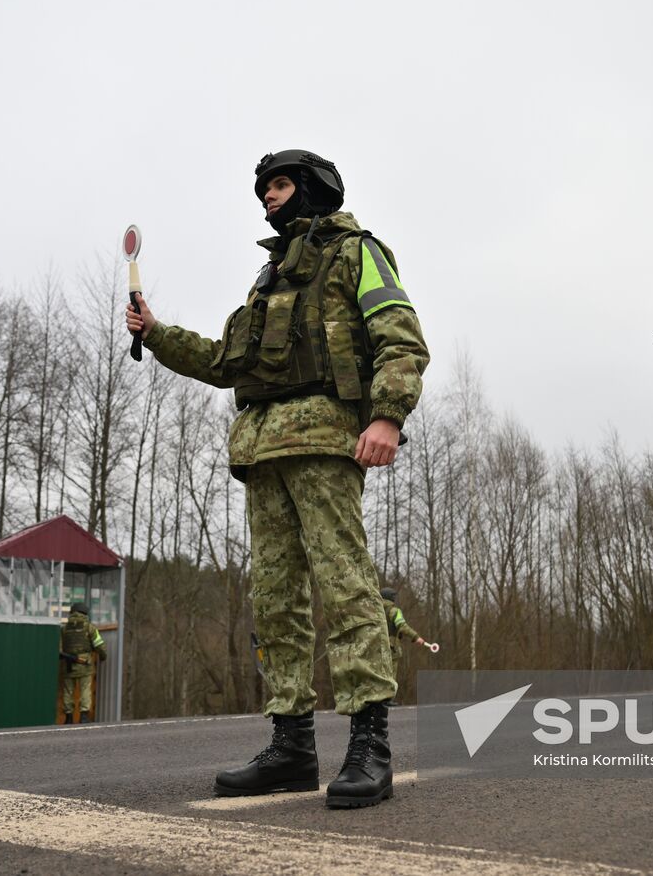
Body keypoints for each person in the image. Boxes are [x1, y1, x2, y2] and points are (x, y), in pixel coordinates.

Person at [126, 149, 429, 808]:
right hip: (261, 452)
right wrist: (155, 333)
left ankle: (369, 744)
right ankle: (291, 745)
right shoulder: (268, 280)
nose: (268, 196)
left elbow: (400, 337)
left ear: (313, 189)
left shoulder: (357, 252)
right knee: (275, 601)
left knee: (346, 587)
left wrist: (387, 415)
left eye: (281, 184)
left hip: (325, 441)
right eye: (264, 188)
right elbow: (226, 360)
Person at [60, 602, 106, 724]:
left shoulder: (64, 628)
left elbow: (59, 649)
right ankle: (84, 716)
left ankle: (68, 717)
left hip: (68, 664)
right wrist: (103, 656)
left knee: (68, 691)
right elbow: (99, 645)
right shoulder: (89, 627)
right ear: (85, 613)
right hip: (84, 663)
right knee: (85, 689)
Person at [380, 587, 426, 684]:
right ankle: (389, 698)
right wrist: (416, 637)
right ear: (390, 598)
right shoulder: (395, 611)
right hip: (390, 650)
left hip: (375, 650)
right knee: (390, 679)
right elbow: (402, 626)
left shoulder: (375, 612)